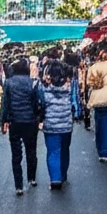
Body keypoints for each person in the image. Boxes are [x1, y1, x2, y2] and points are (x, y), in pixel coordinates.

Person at [0, 57, 42, 195]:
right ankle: (32, 178)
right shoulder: (33, 83)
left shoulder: (9, 83)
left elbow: (5, 104)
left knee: (16, 155)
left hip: (15, 122)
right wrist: (38, 118)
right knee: (31, 150)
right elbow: (36, 104)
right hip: (30, 122)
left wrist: (3, 121)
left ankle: (19, 185)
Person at [37, 61, 73, 189]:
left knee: (53, 151)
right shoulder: (69, 86)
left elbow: (40, 103)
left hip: (51, 125)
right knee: (64, 150)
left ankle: (55, 179)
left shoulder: (44, 88)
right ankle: (62, 175)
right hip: (66, 125)